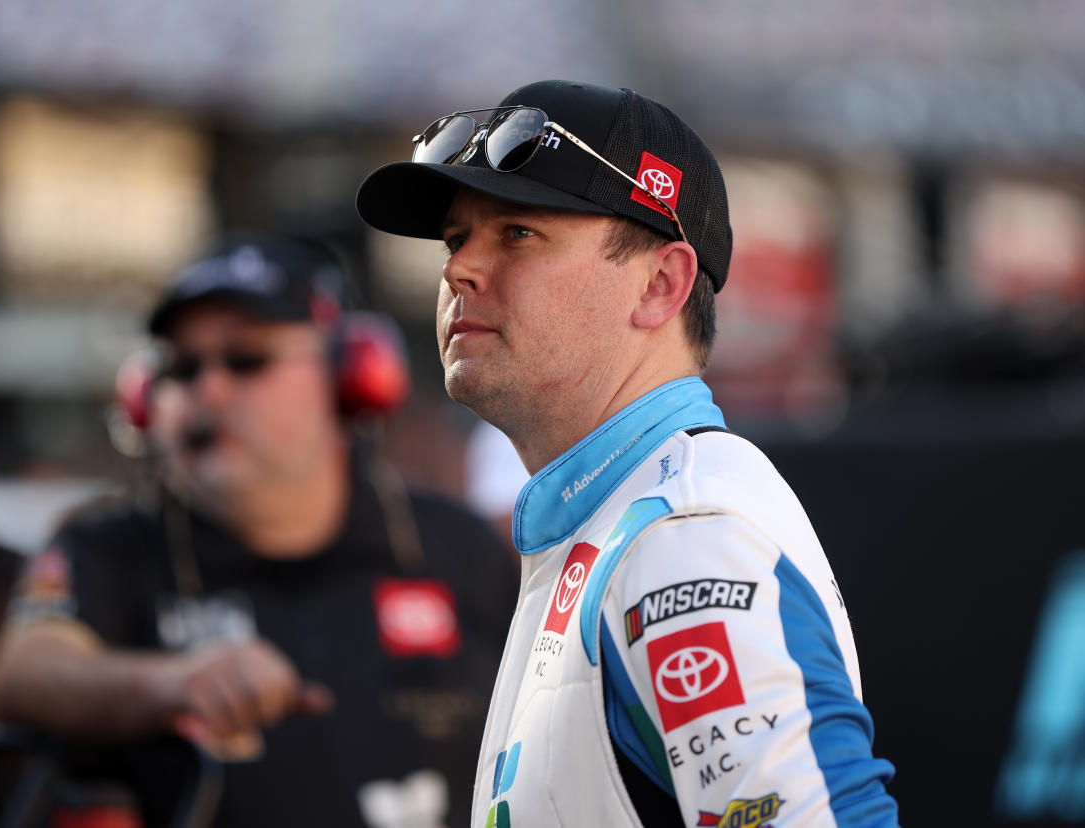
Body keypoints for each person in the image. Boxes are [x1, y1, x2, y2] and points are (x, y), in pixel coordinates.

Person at [356, 80, 899, 827]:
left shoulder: (684, 535)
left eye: (517, 233)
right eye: (456, 239)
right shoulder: (611, 519)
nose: (458, 271)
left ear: (661, 284)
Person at [0, 237, 518, 828]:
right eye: (181, 369)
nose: (207, 391)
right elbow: (23, 672)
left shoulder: (457, 547)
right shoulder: (109, 549)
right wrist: (172, 684)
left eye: (245, 361)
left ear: (349, 379)